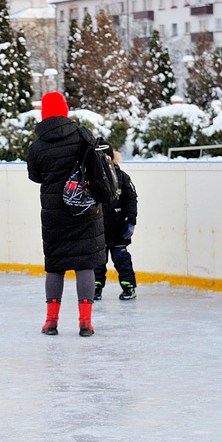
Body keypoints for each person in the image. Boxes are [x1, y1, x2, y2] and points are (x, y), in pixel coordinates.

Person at [27, 92, 105, 337]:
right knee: (85, 264)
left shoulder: (38, 145)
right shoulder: (82, 136)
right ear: (65, 110)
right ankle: (86, 322)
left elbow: (35, 176)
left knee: (55, 266)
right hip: (84, 208)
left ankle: (51, 322)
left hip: (54, 213)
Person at [94, 148, 138, 301]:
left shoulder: (122, 177)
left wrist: (130, 221)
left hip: (119, 228)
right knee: (97, 261)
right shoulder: (92, 176)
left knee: (121, 258)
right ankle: (96, 286)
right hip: (98, 229)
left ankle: (128, 286)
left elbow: (131, 199)